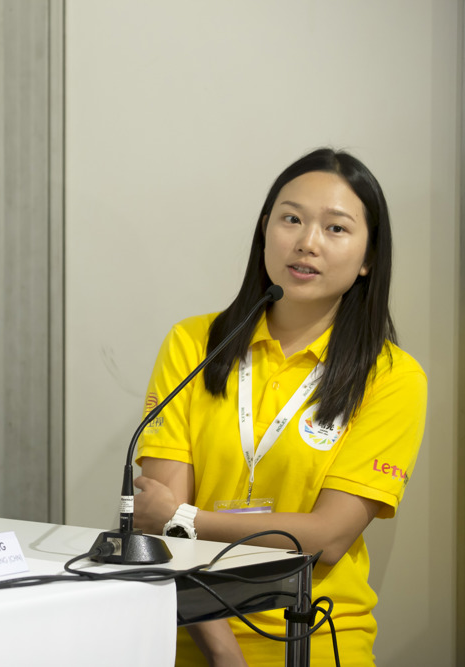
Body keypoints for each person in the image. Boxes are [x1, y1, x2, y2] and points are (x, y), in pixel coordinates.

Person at [132, 148, 426, 666]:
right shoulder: (195, 344)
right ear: (265, 229)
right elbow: (159, 530)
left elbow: (328, 538)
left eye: (336, 229)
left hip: (317, 637)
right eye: (291, 219)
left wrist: (188, 518)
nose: (307, 242)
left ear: (368, 258)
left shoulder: (392, 376)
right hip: (187, 637)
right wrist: (225, 655)